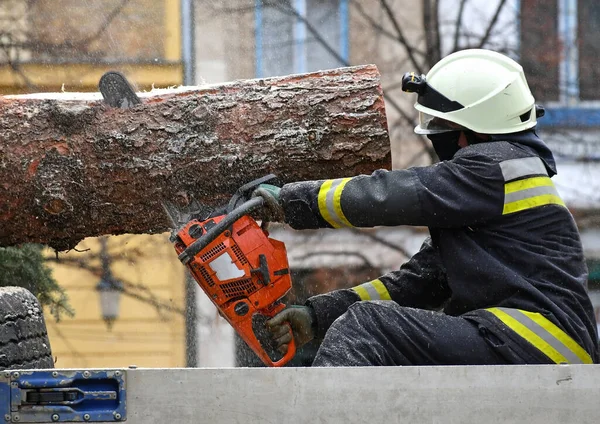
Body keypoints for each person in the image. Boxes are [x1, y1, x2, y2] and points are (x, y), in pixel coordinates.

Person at [253, 49, 599, 366]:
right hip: (533, 343)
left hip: (534, 340)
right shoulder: (489, 202)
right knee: (370, 323)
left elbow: (391, 194)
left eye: (442, 126)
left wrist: (292, 202)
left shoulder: (496, 166)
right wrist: (319, 315)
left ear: (469, 132)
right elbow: (416, 283)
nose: (437, 137)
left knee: (366, 327)